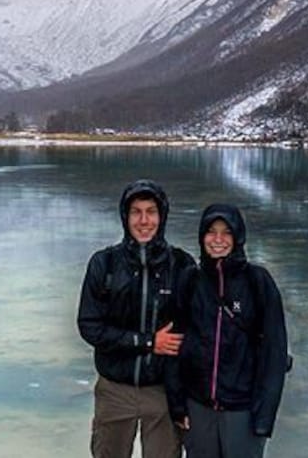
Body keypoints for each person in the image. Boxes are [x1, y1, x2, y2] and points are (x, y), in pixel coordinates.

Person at [77, 179, 197, 458]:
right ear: (125, 216)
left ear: (162, 216)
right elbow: (89, 326)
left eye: (151, 211)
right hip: (114, 389)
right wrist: (147, 342)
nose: (144, 221)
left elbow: (200, 327)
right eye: (136, 212)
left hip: (163, 392)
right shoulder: (104, 264)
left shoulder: (181, 265)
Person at [170, 204, 289, 458]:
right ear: (202, 236)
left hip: (243, 411)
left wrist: (264, 418)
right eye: (211, 231)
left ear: (238, 237)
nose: (218, 240)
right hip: (198, 407)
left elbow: (274, 352)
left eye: (226, 232)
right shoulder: (190, 280)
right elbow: (175, 346)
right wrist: (177, 404)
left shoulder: (257, 281)